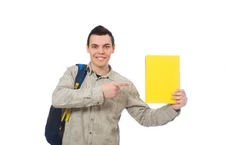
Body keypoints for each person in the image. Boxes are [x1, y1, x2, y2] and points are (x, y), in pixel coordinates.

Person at [51, 25, 188, 145]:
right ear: (87, 48)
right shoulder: (73, 73)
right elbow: (58, 99)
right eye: (95, 46)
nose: (100, 52)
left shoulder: (124, 85)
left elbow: (145, 117)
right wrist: (101, 93)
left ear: (113, 48)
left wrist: (173, 108)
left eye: (106, 46)